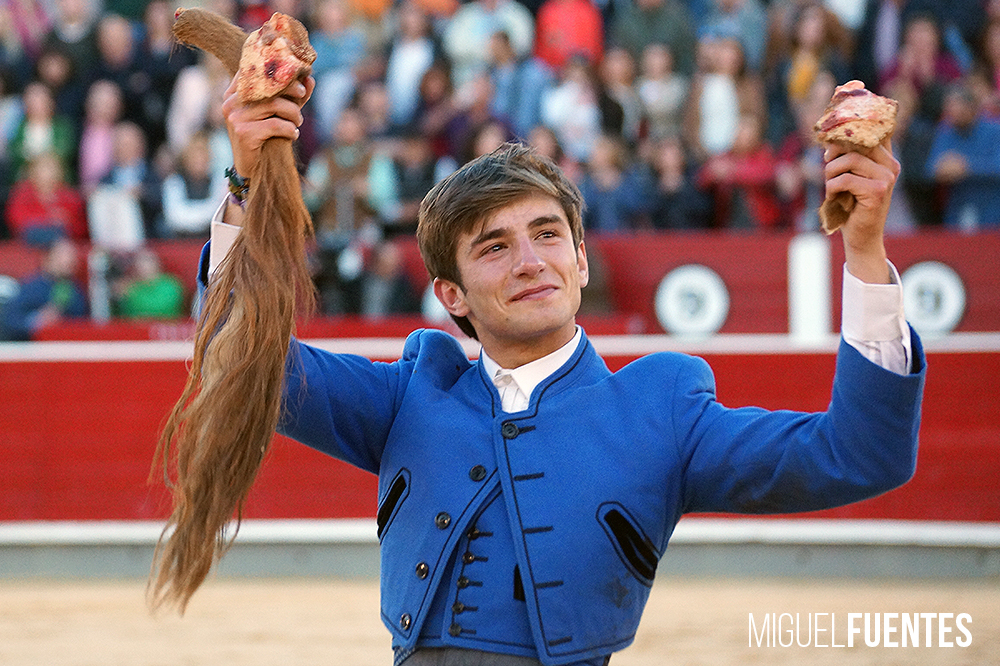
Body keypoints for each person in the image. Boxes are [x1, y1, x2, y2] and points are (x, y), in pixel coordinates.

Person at [187, 71, 925, 666]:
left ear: (579, 261)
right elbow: (239, 361)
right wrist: (249, 185)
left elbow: (857, 455)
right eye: (494, 246)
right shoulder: (411, 391)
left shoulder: (660, 409)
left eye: (547, 234)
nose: (531, 260)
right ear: (452, 295)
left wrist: (863, 252)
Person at [1, 236, 87, 340]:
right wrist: (37, 320)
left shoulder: (76, 291)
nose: (68, 261)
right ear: (48, 257)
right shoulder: (32, 288)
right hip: (34, 348)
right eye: (62, 256)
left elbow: (84, 321)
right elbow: (11, 321)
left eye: (71, 257)